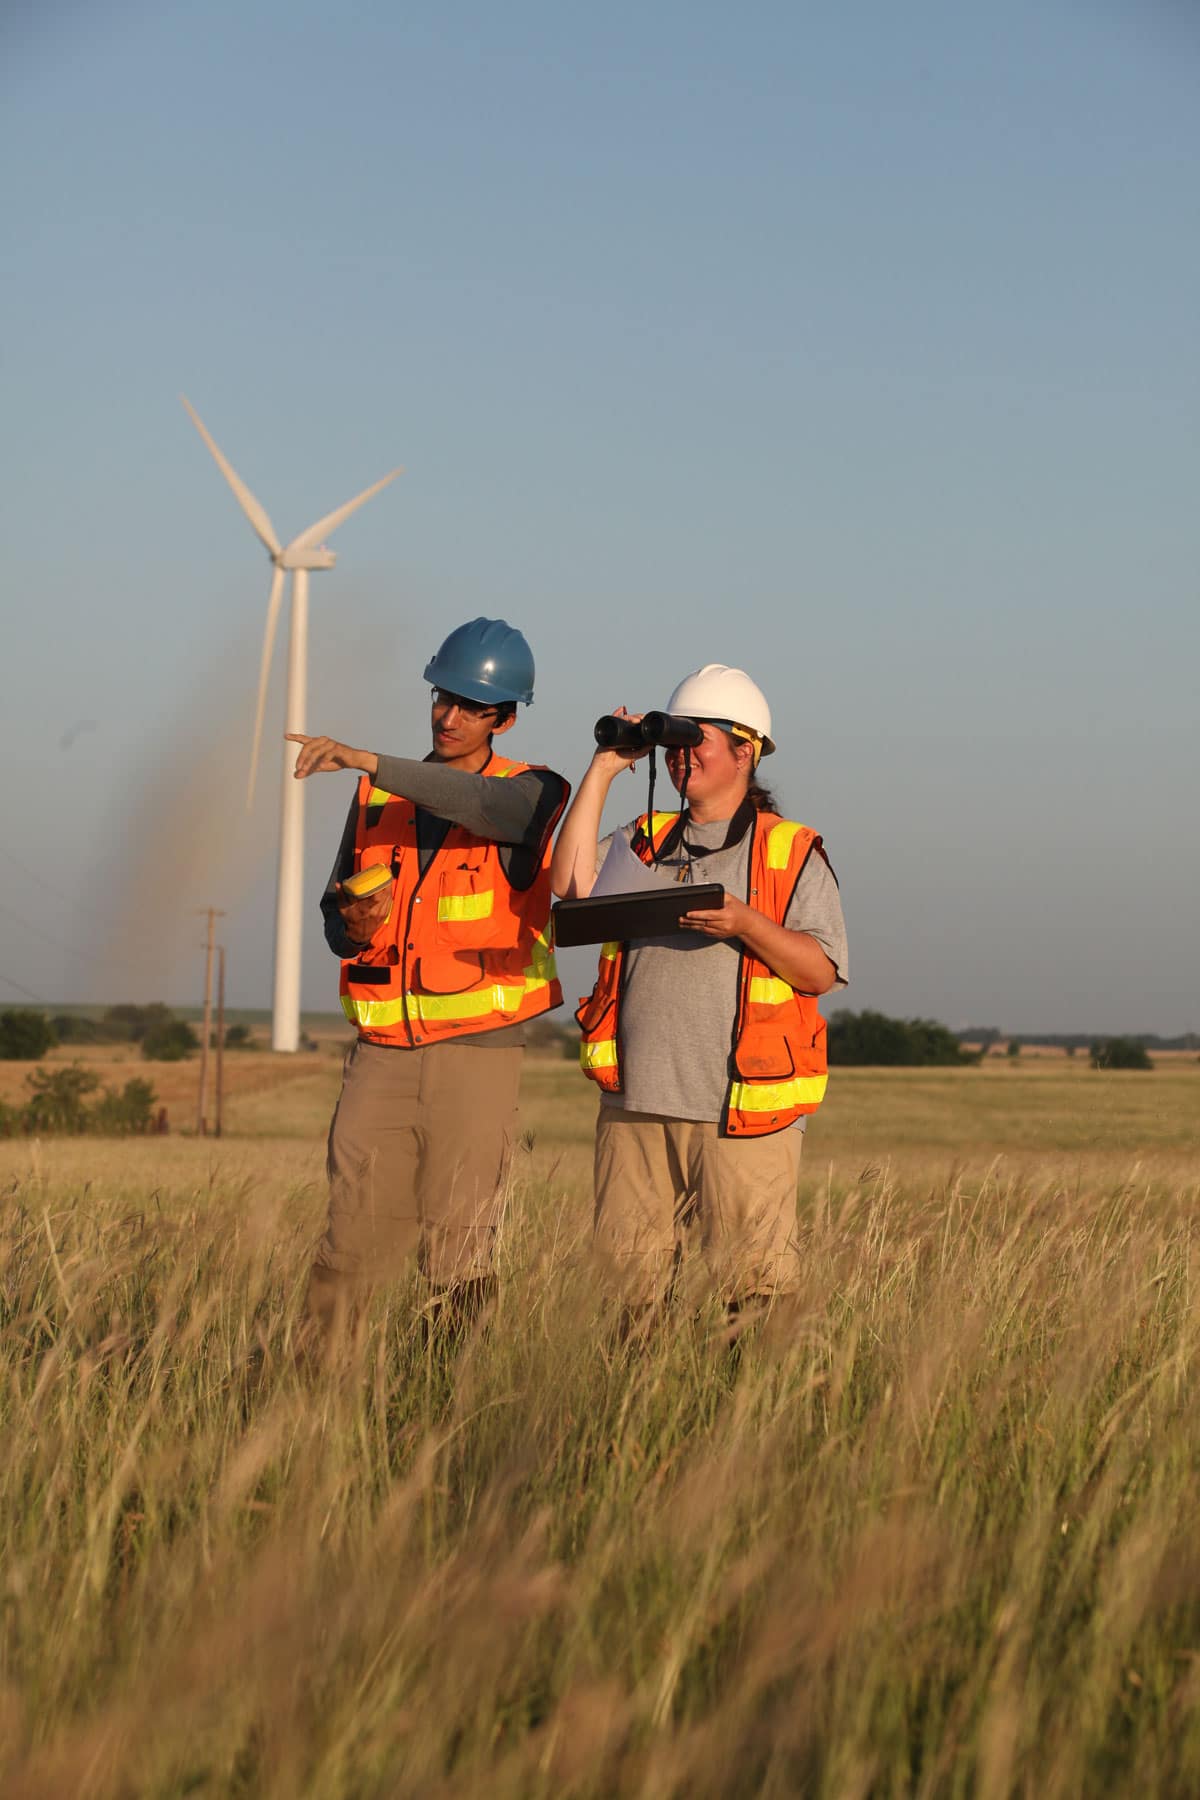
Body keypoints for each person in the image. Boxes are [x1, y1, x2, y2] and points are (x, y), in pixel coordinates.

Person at [289, 617, 569, 1342]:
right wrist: (353, 923)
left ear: (504, 718)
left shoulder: (531, 792)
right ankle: (312, 1394)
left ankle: (447, 1398)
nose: (449, 717)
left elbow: (476, 805)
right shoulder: (377, 801)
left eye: (472, 707)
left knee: (458, 1246)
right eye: (442, 698)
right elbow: (331, 921)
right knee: (348, 1239)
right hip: (379, 1052)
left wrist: (363, 757)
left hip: (475, 1055)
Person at [550, 664, 847, 1319]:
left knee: (754, 1297)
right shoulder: (647, 838)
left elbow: (820, 970)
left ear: (746, 750)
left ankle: (751, 1420)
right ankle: (640, 1418)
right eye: (674, 744)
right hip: (638, 1107)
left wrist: (745, 923)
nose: (681, 758)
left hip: (742, 1115)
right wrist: (602, 770)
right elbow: (569, 883)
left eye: (698, 740)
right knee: (628, 1300)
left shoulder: (789, 851)